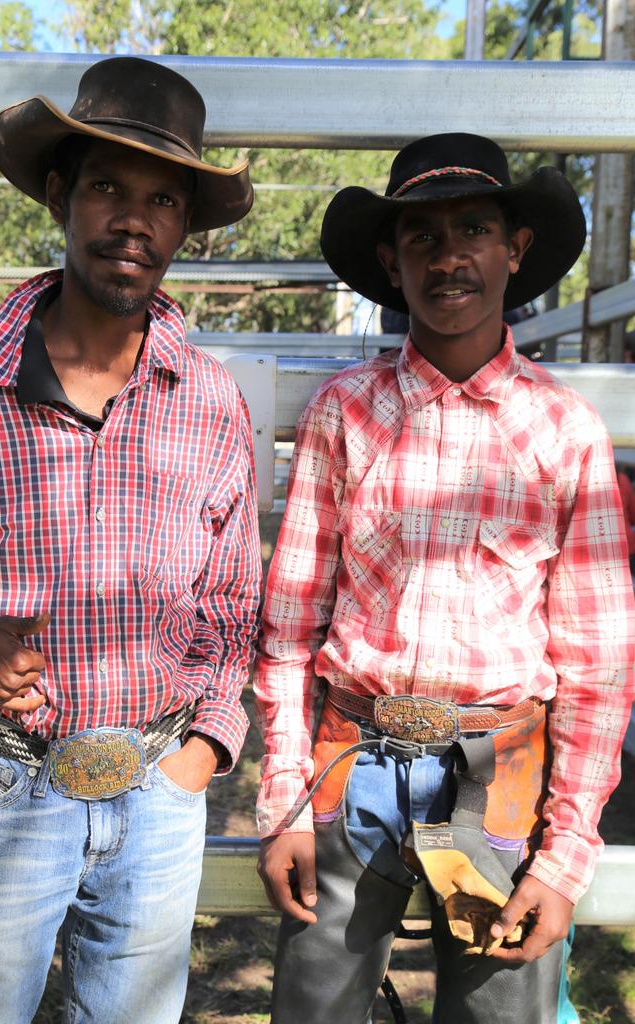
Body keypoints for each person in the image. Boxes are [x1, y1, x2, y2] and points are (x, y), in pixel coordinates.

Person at [0, 57, 261, 1024]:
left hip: (161, 784)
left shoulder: (208, 400)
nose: (134, 220)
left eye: (162, 199)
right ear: (59, 194)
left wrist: (207, 742)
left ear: (184, 227)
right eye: (107, 188)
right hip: (8, 780)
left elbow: (230, 598)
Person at [255, 132, 635, 1023]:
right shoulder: (344, 415)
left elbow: (599, 663)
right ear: (390, 261)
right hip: (352, 770)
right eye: (421, 236)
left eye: (474, 227)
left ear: (516, 249)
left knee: (499, 1006)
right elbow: (287, 627)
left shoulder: (564, 433)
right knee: (320, 1004)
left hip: (499, 775)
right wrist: (284, 802)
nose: (450, 254)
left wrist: (564, 852)